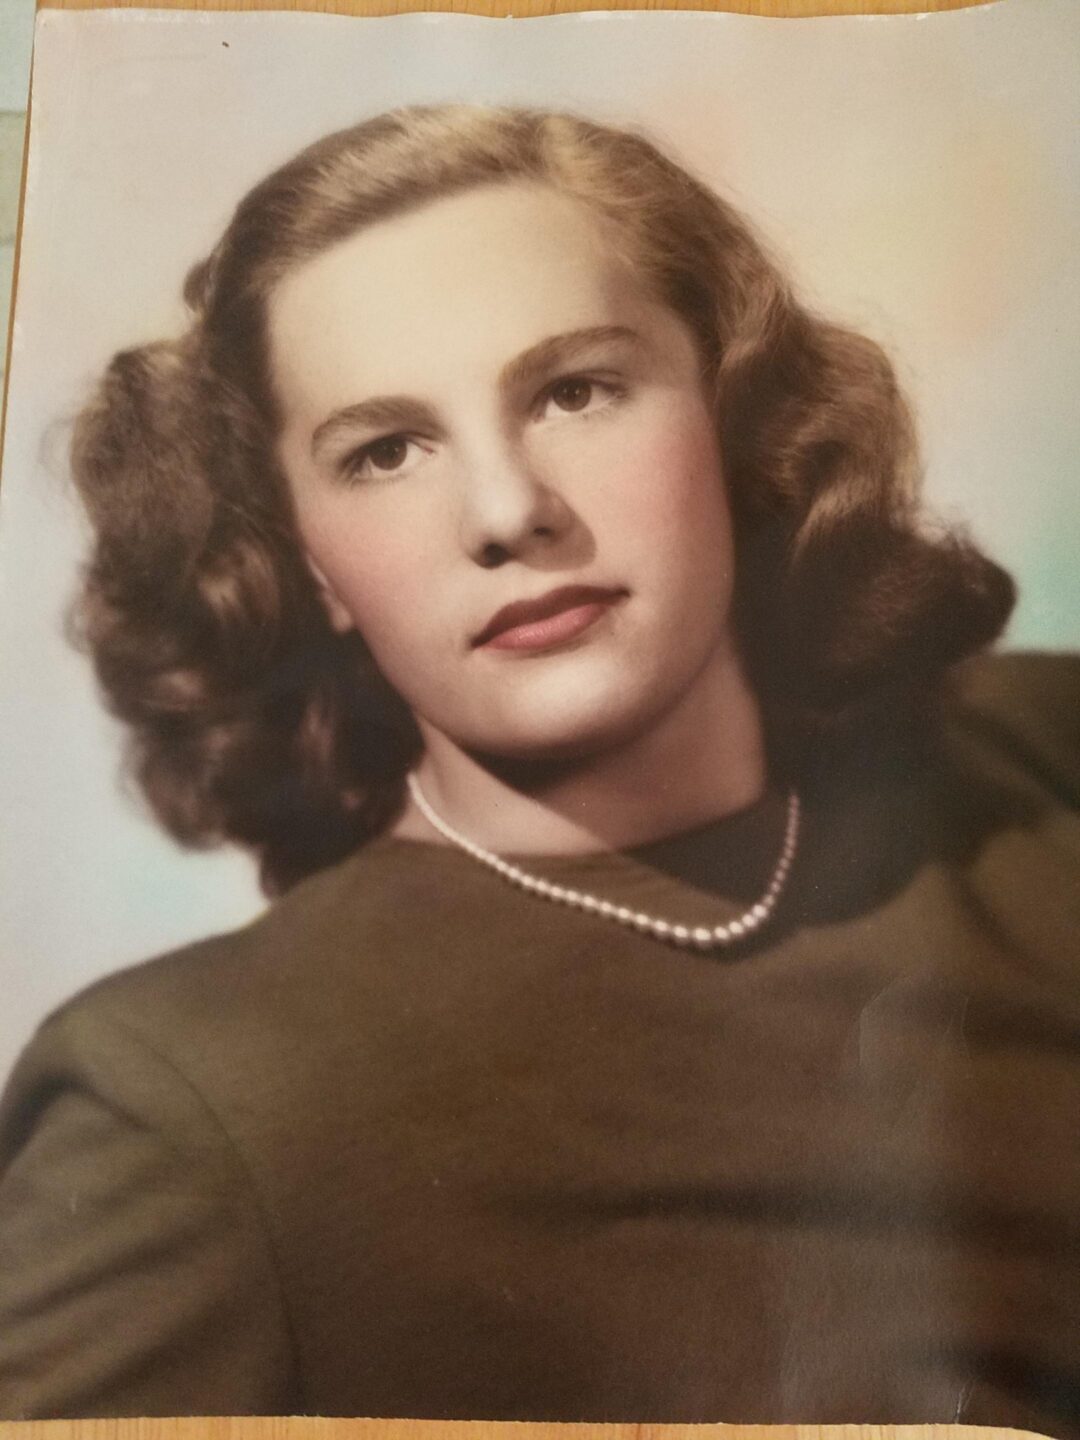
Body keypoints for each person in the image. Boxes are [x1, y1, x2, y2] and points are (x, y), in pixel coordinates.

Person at [0, 103, 1077, 1429]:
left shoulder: (1042, 756)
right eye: (385, 451)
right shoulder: (188, 1106)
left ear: (737, 426)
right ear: (306, 561)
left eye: (578, 390)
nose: (509, 512)